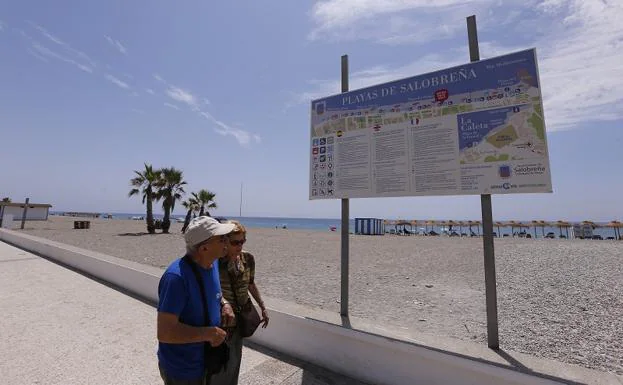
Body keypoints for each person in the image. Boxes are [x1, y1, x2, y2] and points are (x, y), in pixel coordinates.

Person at [157, 216, 237, 385]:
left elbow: (213, 292)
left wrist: (224, 303)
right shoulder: (176, 278)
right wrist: (210, 333)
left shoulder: (212, 263)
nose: (227, 242)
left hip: (206, 360)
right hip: (183, 369)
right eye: (222, 239)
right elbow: (165, 332)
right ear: (204, 248)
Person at [211, 220, 269, 385]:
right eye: (235, 242)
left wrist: (263, 306)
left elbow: (250, 283)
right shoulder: (215, 262)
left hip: (241, 317)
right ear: (224, 241)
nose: (239, 246)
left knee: (236, 357)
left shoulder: (248, 259)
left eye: (242, 241)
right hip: (224, 320)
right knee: (220, 361)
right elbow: (211, 289)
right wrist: (224, 303)